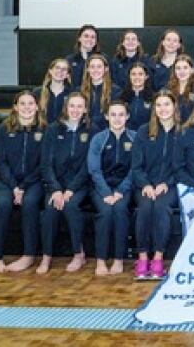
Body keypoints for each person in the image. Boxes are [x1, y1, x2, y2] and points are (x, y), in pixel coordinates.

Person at [0, 90, 46, 273]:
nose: (27, 107)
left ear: (37, 106)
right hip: (8, 182)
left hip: (33, 181)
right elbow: (1, 161)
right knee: (2, 205)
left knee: (30, 204)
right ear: (15, 107)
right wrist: (14, 186)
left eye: (31, 103)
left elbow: (44, 163)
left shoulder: (45, 129)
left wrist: (22, 187)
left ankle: (28, 255)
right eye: (22, 103)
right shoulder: (4, 128)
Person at [37, 92, 92, 274]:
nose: (75, 110)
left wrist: (70, 190)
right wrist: (56, 189)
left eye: (79, 106)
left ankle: (79, 253)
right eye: (72, 106)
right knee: (50, 210)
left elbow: (87, 165)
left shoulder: (92, 130)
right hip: (55, 186)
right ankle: (46, 256)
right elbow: (45, 164)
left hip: (79, 185)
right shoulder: (53, 130)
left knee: (70, 206)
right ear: (66, 108)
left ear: (85, 109)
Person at [131, 90, 181, 280]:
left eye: (167, 104)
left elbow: (182, 165)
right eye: (158, 105)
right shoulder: (144, 131)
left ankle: (158, 258)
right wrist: (145, 185)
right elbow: (136, 166)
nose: (163, 109)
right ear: (154, 108)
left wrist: (166, 183)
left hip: (170, 186)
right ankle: (143, 258)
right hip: (145, 186)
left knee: (161, 207)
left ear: (174, 106)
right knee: (145, 207)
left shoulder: (181, 131)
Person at [87, 100, 137, 276]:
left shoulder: (135, 137)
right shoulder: (98, 139)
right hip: (101, 187)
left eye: (121, 114)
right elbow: (94, 169)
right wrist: (106, 192)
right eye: (113, 115)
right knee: (106, 211)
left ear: (127, 116)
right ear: (107, 116)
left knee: (121, 210)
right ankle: (100, 260)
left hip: (124, 186)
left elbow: (135, 169)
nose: (117, 119)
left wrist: (120, 191)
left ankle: (118, 259)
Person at [80, 54, 122, 131]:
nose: (95, 70)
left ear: (106, 69)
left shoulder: (116, 91)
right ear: (88, 69)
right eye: (92, 67)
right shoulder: (79, 91)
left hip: (106, 130)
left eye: (99, 67)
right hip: (83, 130)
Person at [168, 55, 194, 122]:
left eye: (185, 68)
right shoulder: (167, 90)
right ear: (174, 71)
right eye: (178, 68)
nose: (182, 71)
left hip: (192, 129)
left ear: (192, 70)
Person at [35, 58, 72, 124]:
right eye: (57, 68)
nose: (60, 71)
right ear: (50, 71)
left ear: (67, 75)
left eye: (64, 69)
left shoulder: (72, 93)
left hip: (64, 132)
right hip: (42, 131)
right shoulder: (37, 92)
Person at [120, 62, 153, 131]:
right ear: (129, 76)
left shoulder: (154, 98)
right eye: (133, 74)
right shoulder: (121, 97)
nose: (137, 77)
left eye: (140, 74)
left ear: (146, 76)